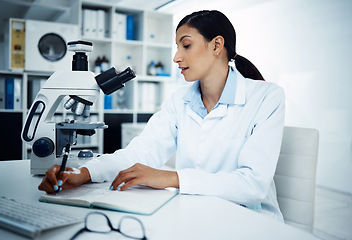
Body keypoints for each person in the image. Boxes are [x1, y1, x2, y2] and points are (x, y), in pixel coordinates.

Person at [39, 10, 285, 221]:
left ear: (216, 46)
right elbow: (140, 153)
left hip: (249, 220)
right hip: (194, 214)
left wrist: (173, 178)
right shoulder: (180, 100)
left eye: (186, 45)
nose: (176, 57)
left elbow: (253, 184)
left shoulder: (266, 97)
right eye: (177, 47)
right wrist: (84, 173)